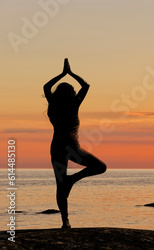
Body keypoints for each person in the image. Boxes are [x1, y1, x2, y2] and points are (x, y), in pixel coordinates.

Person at [44, 58, 107, 228]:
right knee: (100, 167)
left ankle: (65, 221)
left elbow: (45, 87)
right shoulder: (74, 103)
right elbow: (86, 86)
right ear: (72, 93)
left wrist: (62, 74)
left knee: (60, 184)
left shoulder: (54, 104)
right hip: (72, 148)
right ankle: (71, 182)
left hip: (57, 148)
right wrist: (70, 73)